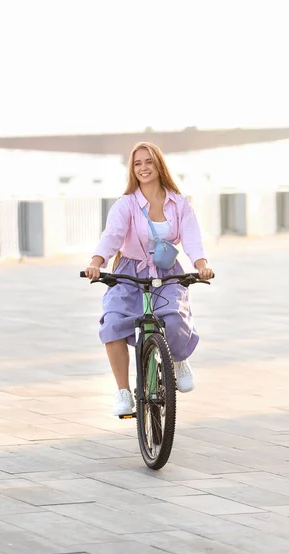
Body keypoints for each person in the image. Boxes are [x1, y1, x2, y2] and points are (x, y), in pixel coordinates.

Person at [85, 141, 214, 416]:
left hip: (167, 273)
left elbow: (192, 238)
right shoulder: (127, 204)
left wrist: (202, 265)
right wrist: (96, 262)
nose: (143, 168)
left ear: (159, 165)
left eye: (148, 162)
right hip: (129, 272)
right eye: (137, 163)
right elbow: (112, 236)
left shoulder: (179, 204)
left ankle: (178, 361)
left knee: (175, 316)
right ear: (132, 169)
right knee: (113, 321)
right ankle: (123, 392)